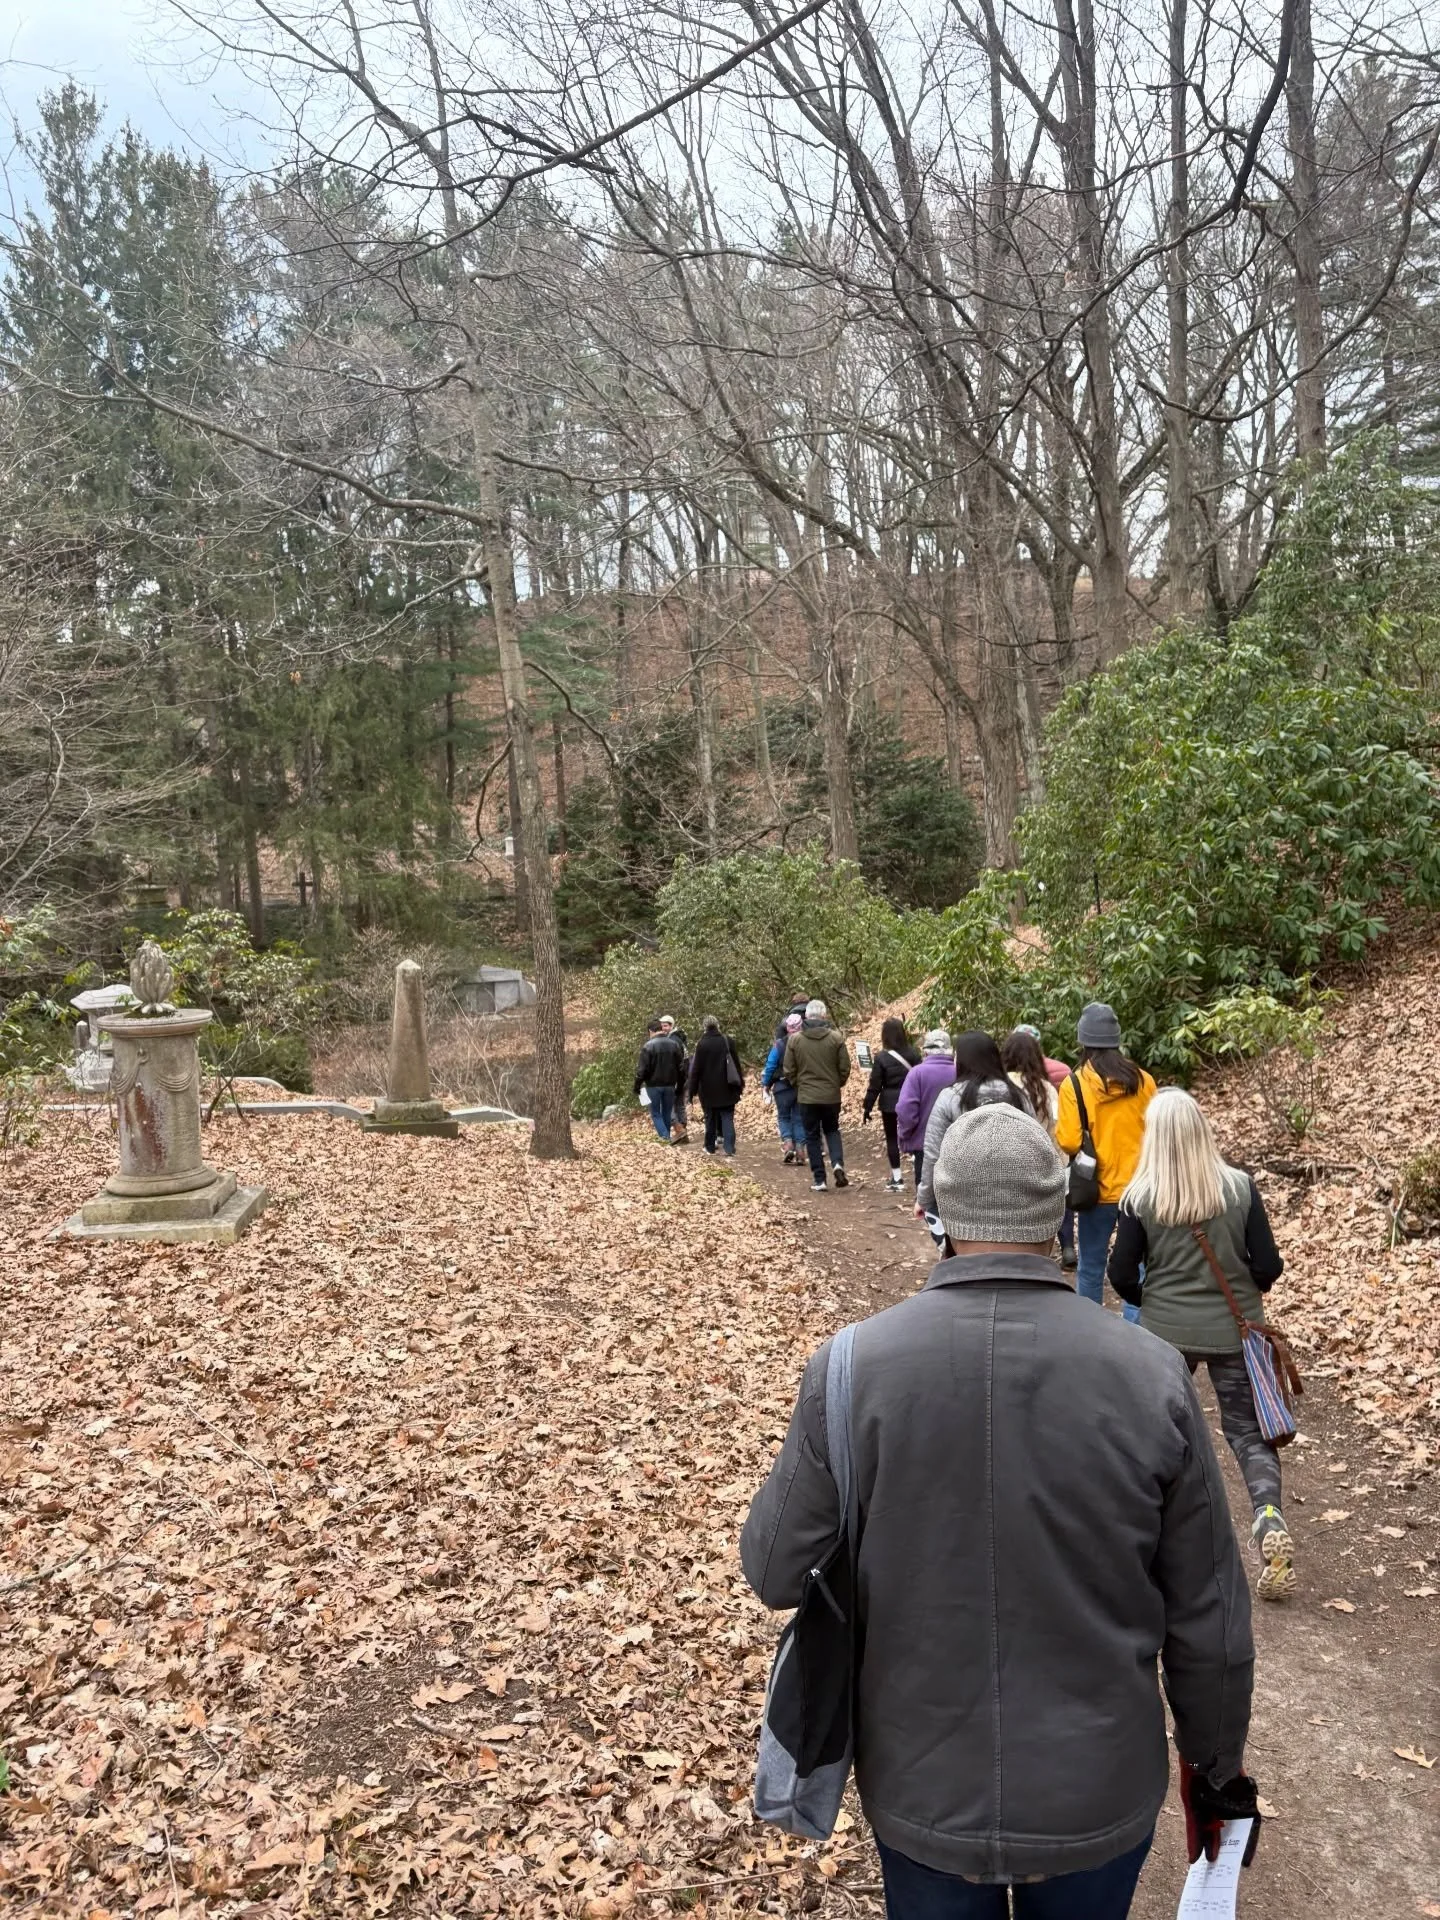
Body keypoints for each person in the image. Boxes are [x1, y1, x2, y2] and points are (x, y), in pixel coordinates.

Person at [742, 1104, 1258, 1920]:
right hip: (1098, 1788)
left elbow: (773, 1569)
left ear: (936, 1208)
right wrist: (1215, 1766)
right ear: (1058, 1212)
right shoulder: (1152, 1374)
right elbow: (1211, 1612)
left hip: (922, 1785)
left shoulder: (849, 1368)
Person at [1108, 1089, 1294, 1601]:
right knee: (1247, 1433)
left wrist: (1152, 1299)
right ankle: (1268, 1517)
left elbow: (1120, 1273)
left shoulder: (1140, 1197)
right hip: (1235, 1332)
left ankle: (1137, 1533)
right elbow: (1269, 1266)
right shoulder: (1240, 1189)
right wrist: (1244, 1284)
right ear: (1201, 1130)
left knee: (1148, 1428)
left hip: (1164, 1337)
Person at [1055, 1003, 1156, 1316]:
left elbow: (1070, 1140)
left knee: (1091, 1266)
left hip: (1096, 1191)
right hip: (1141, 1192)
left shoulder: (1074, 1085)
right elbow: (1156, 1131)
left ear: (1082, 1041)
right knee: (1139, 1269)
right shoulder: (1144, 1081)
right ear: (1117, 1039)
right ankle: (1135, 1337)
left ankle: (1090, 1332)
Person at [914, 1030, 1031, 1221]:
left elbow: (934, 1154)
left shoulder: (950, 1097)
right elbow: (1035, 1143)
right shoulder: (1018, 1096)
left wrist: (924, 1199)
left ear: (961, 1060)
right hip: (1014, 1197)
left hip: (964, 1200)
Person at [783, 998, 851, 1192]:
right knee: (832, 1130)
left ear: (806, 1017)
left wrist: (799, 1085)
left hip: (806, 1097)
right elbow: (844, 1067)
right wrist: (837, 1084)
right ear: (824, 1016)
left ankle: (819, 1179)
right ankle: (837, 1163)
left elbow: (789, 1069)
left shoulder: (795, 1040)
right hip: (831, 1096)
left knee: (812, 1136)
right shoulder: (836, 1038)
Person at [863, 1018, 921, 1192]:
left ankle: (897, 1179)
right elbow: (920, 1078)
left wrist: (867, 1107)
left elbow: (875, 1085)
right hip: (912, 1100)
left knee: (891, 1139)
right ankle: (919, 1175)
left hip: (889, 1103)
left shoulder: (881, 1057)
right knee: (916, 1135)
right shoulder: (914, 1054)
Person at [894, 1029, 954, 1193]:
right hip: (956, 1145)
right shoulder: (960, 1072)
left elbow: (906, 1110)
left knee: (926, 1197)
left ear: (925, 1050)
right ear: (950, 1050)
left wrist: (904, 1135)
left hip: (924, 1146)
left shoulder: (917, 1073)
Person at [686, 1014, 744, 1156]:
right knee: (727, 1117)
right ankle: (729, 1148)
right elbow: (736, 1064)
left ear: (704, 1027)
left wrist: (691, 1092)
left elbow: (696, 1070)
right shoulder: (727, 1041)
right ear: (718, 1025)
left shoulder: (702, 1044)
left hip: (708, 1089)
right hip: (727, 1086)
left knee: (710, 1118)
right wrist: (740, 1084)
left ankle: (710, 1147)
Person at [762, 1012, 808, 1164]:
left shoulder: (779, 1044)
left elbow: (770, 1066)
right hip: (800, 1086)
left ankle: (788, 1144)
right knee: (799, 1118)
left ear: (787, 1028)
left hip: (781, 1086)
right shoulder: (806, 1042)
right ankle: (801, 1149)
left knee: (783, 1116)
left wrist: (766, 1085)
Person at [633, 1017, 684, 1144]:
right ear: (661, 1029)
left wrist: (637, 1086)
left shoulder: (648, 1046)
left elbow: (642, 1070)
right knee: (667, 1112)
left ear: (651, 1031)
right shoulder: (674, 1044)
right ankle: (666, 1138)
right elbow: (681, 1068)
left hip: (653, 1086)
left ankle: (665, 1137)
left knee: (656, 1113)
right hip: (670, 1085)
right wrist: (680, 1085)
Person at [659, 1015, 691, 1145]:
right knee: (680, 1105)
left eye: (665, 1026)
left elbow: (674, 1062)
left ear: (671, 1026)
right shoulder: (679, 1038)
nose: (663, 1028)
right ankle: (683, 1133)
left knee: (667, 1106)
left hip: (676, 1078)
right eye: (662, 1026)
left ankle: (680, 1130)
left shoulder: (672, 1041)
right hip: (683, 1077)